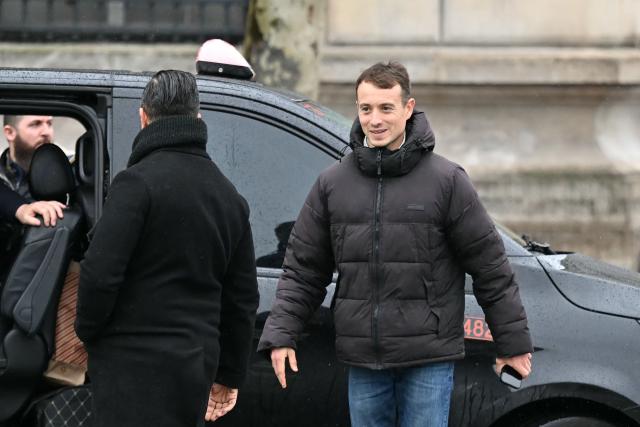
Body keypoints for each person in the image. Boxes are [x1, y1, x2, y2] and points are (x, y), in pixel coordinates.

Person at [258, 62, 533, 427]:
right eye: (365, 108)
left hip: (429, 359)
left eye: (386, 108)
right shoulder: (332, 184)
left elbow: (490, 267)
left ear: (408, 108)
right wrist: (282, 334)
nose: (375, 119)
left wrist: (512, 344)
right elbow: (304, 269)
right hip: (364, 361)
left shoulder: (447, 181)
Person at [75, 70, 259, 427]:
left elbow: (99, 275)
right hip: (194, 365)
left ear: (143, 117)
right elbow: (241, 298)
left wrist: (89, 333)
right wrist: (228, 374)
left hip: (130, 365)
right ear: (199, 119)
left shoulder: (135, 185)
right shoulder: (229, 198)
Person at [1, 115, 65, 226]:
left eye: (49, 123)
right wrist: (21, 208)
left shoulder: (69, 169)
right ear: (10, 132)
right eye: (35, 124)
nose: (46, 132)